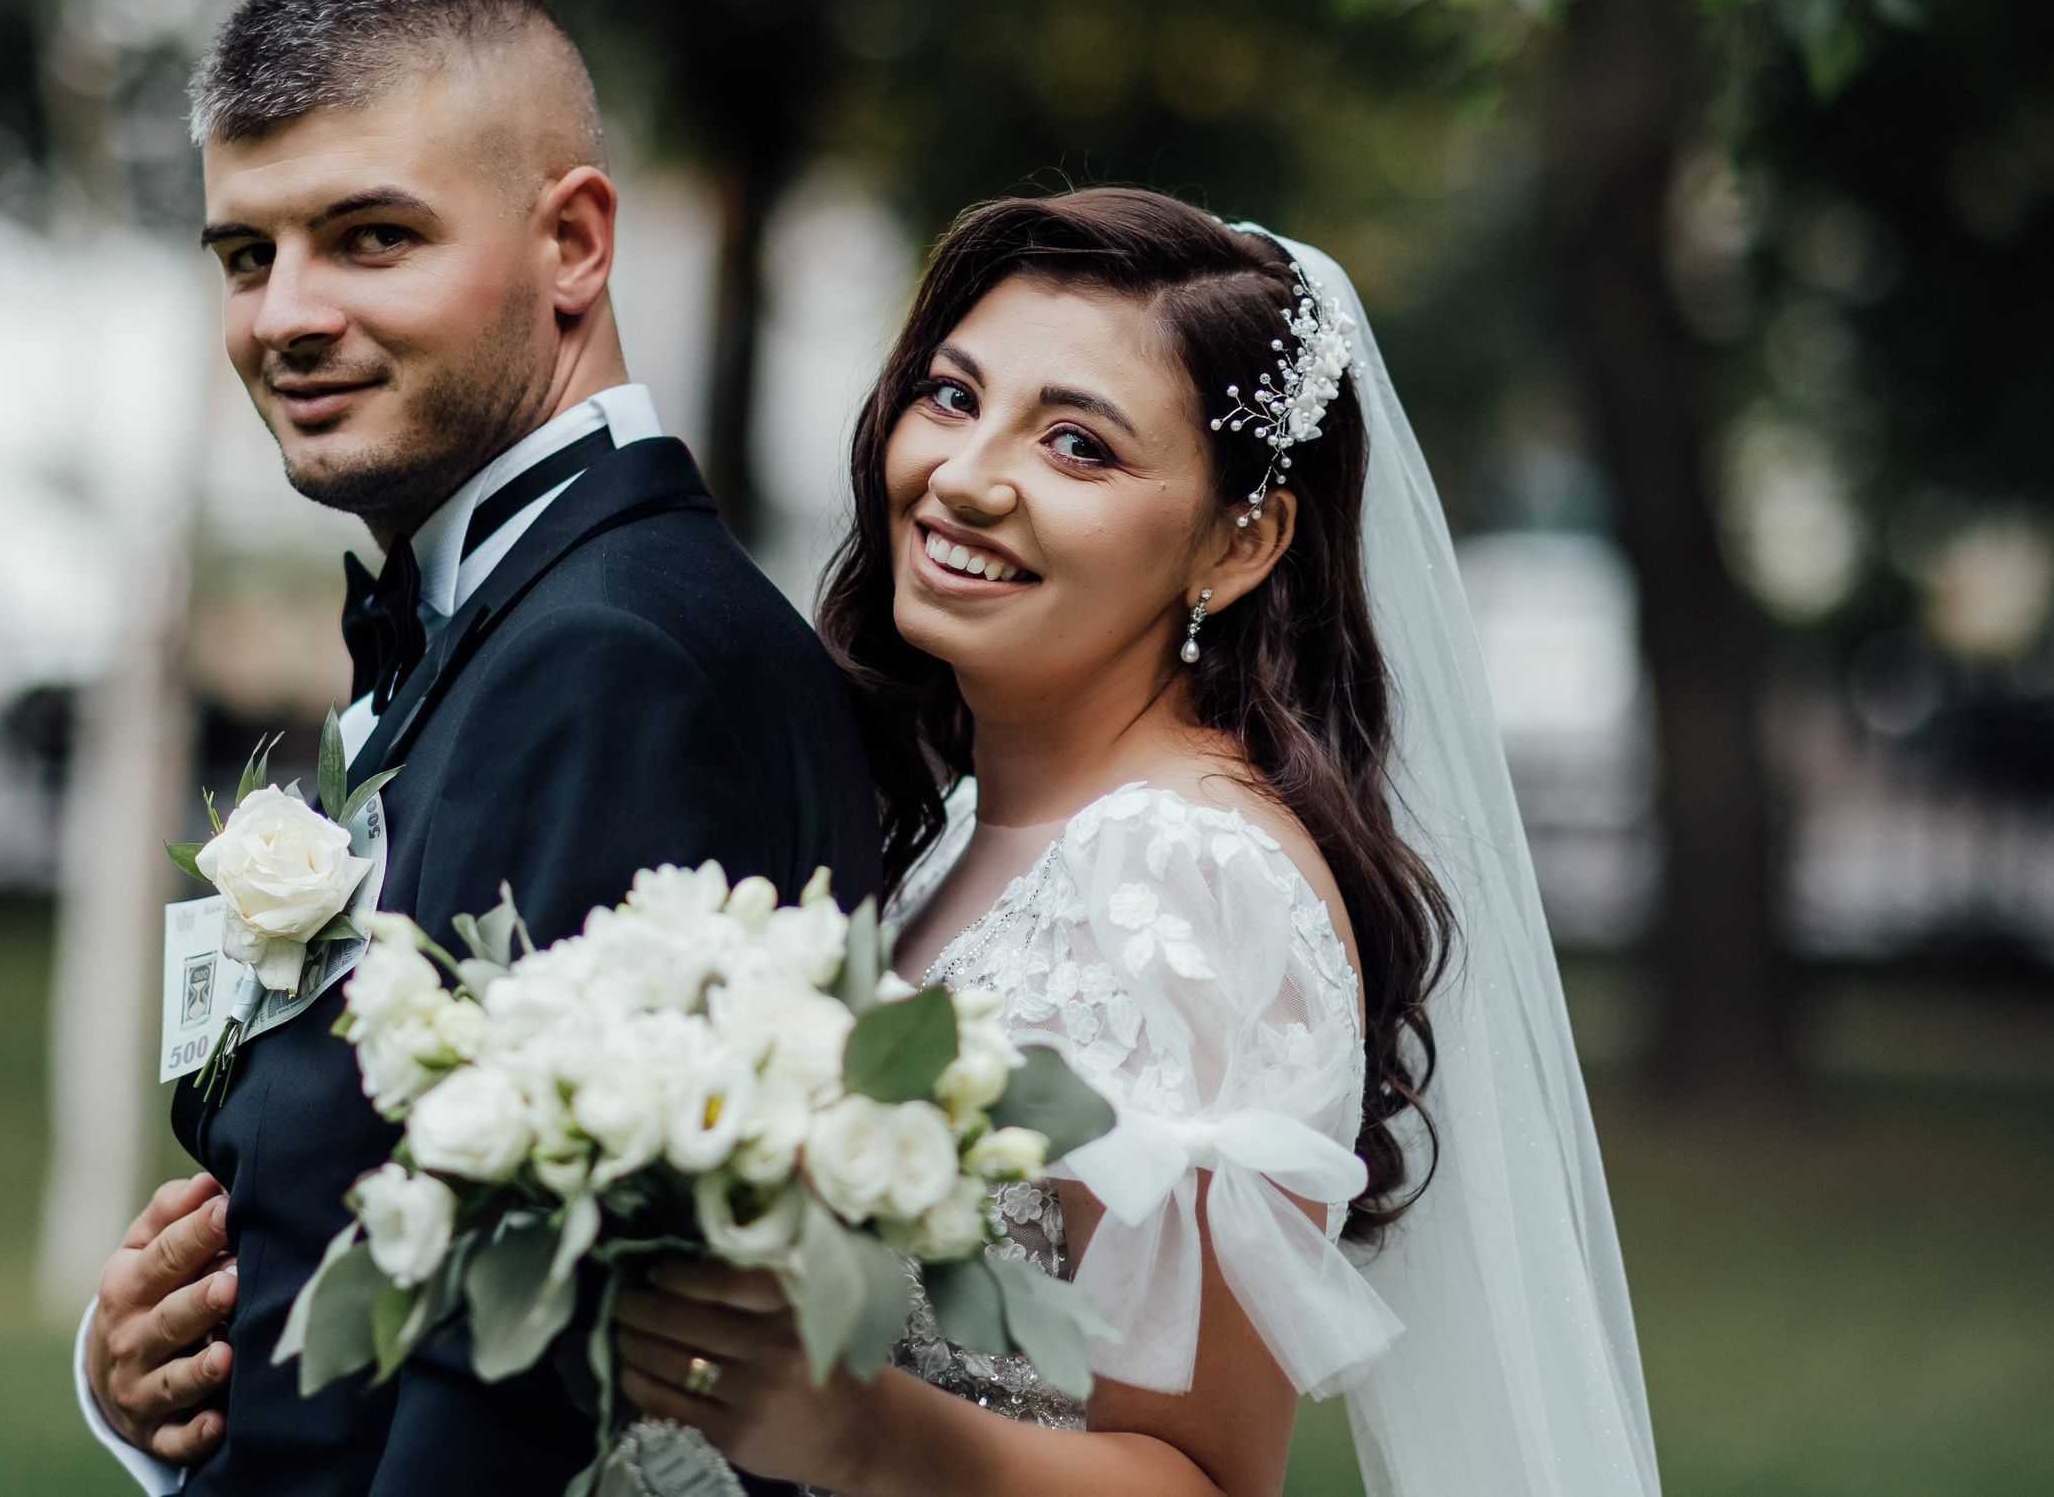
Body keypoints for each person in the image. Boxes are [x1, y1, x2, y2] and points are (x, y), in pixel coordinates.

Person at [605, 189, 1661, 1497]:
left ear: (1239, 541)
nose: (965, 475)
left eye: (1078, 447)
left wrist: (861, 1432)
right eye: (950, 395)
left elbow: (1204, 1477)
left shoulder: (1186, 880)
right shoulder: (956, 838)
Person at [74, 0, 882, 1497]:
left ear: (574, 243)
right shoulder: (511, 615)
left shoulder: (617, 658)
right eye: (245, 257)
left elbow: (529, 1359)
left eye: (370, 238)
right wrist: (151, 1397)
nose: (284, 317)